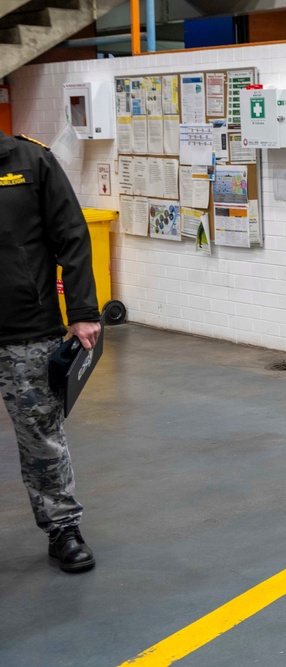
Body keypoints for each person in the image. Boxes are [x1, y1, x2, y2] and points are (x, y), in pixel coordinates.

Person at [0, 130, 102, 573]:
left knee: (41, 435)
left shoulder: (30, 160)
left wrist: (82, 310)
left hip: (26, 327)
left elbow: (73, 235)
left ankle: (63, 528)